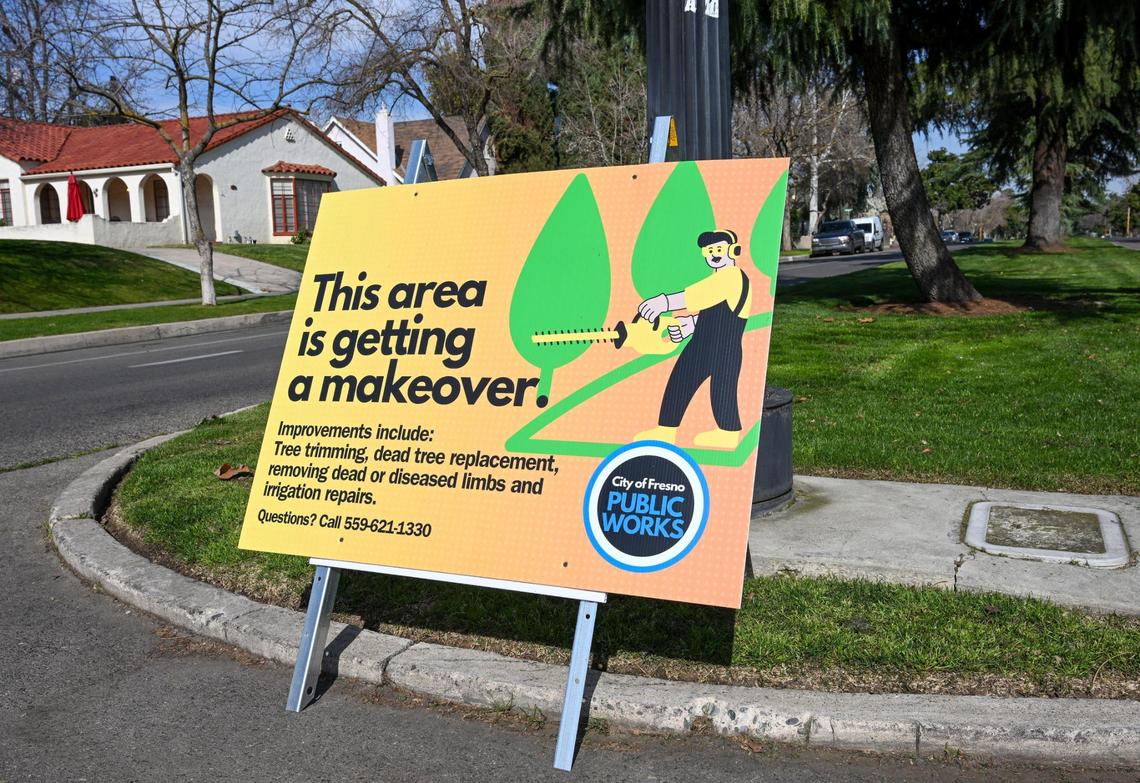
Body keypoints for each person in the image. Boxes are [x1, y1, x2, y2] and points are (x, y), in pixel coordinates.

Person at [635, 228, 751, 449]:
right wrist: (689, 326)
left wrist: (664, 303)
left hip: (724, 347)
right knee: (679, 382)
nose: (713, 254)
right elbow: (710, 313)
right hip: (700, 344)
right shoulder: (717, 280)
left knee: (723, 390)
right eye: (708, 251)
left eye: (718, 249)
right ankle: (666, 430)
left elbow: (699, 294)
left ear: (733, 250)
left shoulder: (733, 277)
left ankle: (727, 433)